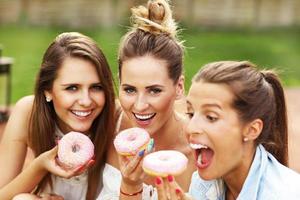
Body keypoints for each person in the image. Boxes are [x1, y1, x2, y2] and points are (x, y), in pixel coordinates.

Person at [155, 61, 300, 199]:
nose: (191, 127)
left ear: (251, 130)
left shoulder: (285, 195)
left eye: (211, 117)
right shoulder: (202, 183)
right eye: (191, 114)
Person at [0, 32, 116, 200]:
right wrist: (39, 166)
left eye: (96, 87)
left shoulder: (115, 117)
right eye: (72, 88)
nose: (85, 101)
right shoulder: (28, 113)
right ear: (47, 90)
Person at [98, 0, 196, 199]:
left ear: (179, 87)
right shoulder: (105, 126)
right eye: (130, 89)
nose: (140, 105)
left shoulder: (200, 148)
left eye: (154, 91)